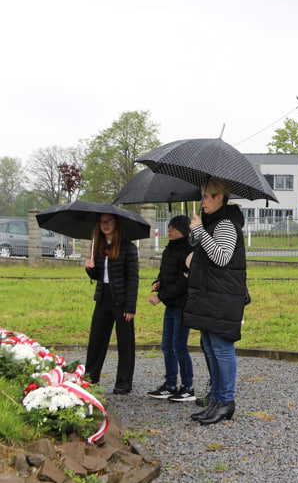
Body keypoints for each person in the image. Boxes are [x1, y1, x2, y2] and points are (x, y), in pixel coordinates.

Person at [184, 178, 247, 425]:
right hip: (211, 296)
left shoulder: (226, 225)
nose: (202, 201)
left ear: (219, 197)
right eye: (201, 196)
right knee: (211, 348)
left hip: (223, 298)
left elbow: (221, 257)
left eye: (207, 196)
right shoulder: (213, 223)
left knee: (222, 350)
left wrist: (200, 231)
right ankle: (216, 401)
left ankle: (226, 401)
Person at [84, 213, 139, 394]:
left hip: (122, 301)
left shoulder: (128, 248)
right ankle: (90, 378)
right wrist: (90, 269)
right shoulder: (98, 247)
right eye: (102, 222)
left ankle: (123, 383)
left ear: (116, 224)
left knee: (125, 343)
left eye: (109, 221)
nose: (105, 225)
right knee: (96, 340)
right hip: (103, 298)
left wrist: (130, 306)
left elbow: (133, 279)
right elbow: (98, 276)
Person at [146, 215, 195, 402]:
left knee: (179, 346)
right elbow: (164, 273)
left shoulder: (189, 252)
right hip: (170, 305)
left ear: (182, 229)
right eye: (169, 227)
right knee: (167, 346)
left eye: (173, 227)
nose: (169, 230)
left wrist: (160, 297)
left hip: (182, 305)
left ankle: (188, 386)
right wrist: (157, 282)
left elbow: (184, 282)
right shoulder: (169, 249)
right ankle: (170, 384)